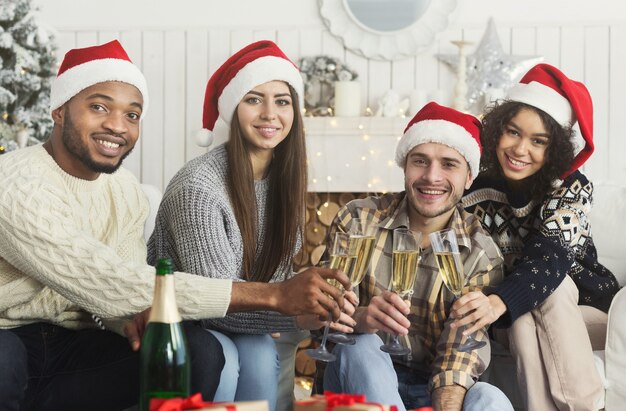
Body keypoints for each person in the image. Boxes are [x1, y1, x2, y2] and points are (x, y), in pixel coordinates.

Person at [0, 40, 351, 411]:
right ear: (58, 111)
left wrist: (129, 322)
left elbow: (124, 290)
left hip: (75, 347)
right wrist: (277, 297)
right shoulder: (16, 182)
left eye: (132, 115)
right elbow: (108, 280)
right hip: (7, 337)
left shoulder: (125, 192)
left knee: (196, 352)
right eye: (99, 107)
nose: (117, 126)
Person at [147, 40, 355, 411]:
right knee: (232, 358)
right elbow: (211, 303)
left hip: (241, 322)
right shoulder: (198, 188)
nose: (269, 114)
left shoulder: (282, 183)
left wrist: (314, 311)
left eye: (282, 100)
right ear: (233, 109)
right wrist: (294, 311)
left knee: (259, 352)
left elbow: (273, 282)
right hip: (181, 322)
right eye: (253, 99)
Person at [323, 102, 513, 411]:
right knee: (362, 345)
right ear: (405, 165)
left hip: (434, 388)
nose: (432, 176)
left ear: (468, 178)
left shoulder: (480, 253)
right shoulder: (358, 220)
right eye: (420, 161)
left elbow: (460, 353)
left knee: (490, 398)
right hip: (357, 381)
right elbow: (320, 319)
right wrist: (361, 319)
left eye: (449, 164)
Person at [458, 63, 621, 411]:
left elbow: (549, 260)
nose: (520, 149)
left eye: (538, 141)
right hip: (512, 315)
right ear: (497, 130)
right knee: (519, 318)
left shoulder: (571, 188)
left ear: (554, 149)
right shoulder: (477, 188)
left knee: (554, 285)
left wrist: (499, 302)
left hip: (585, 314)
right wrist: (499, 303)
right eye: (513, 133)